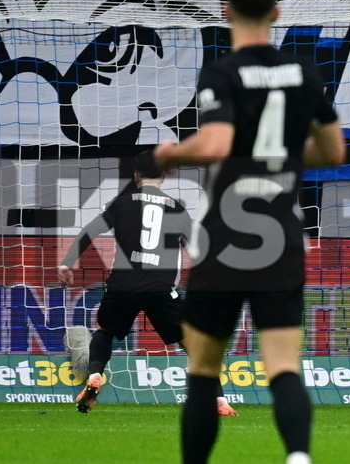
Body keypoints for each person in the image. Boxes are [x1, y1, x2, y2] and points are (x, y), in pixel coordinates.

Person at [155, 0, 345, 464]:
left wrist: (169, 153)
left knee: (204, 372)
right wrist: (284, 158)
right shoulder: (305, 74)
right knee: (284, 368)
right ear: (278, 13)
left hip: (225, 242)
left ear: (226, 10)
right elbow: (333, 151)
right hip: (281, 240)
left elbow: (215, 143)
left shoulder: (221, 72)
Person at [57, 151, 237, 417]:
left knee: (105, 332)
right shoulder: (176, 207)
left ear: (135, 176)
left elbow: (89, 231)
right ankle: (219, 401)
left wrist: (67, 263)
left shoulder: (121, 202)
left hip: (121, 286)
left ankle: (95, 374)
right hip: (160, 288)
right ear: (164, 176)